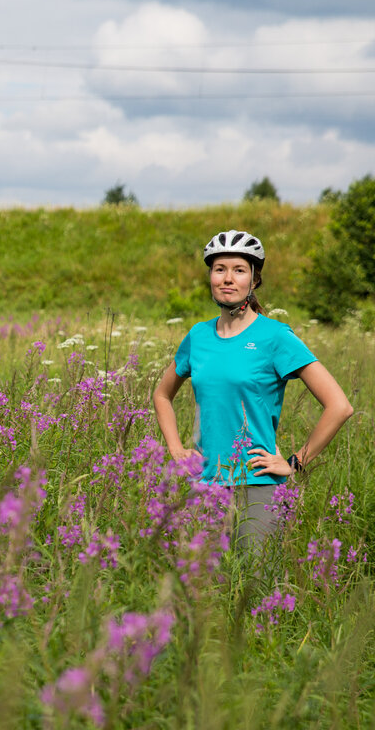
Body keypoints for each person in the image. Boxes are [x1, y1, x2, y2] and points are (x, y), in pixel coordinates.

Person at [151, 230, 353, 551]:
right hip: (205, 484)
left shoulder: (275, 336)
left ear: (254, 280)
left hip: (258, 485)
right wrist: (176, 449)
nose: (228, 278)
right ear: (210, 277)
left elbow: (339, 406)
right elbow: (162, 395)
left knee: (252, 589)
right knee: (205, 590)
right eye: (219, 269)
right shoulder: (198, 336)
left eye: (239, 270)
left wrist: (295, 462)